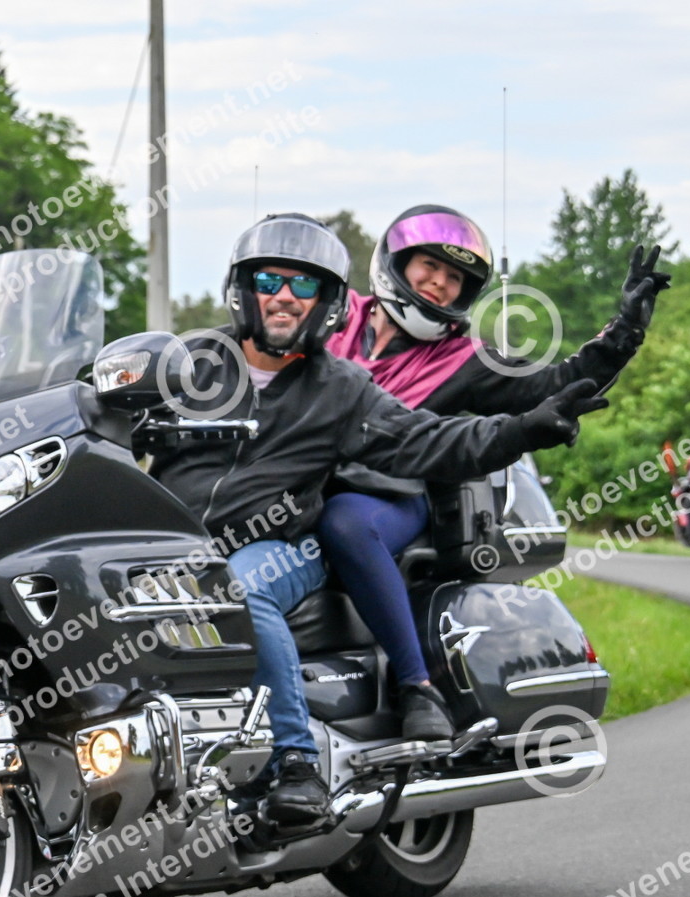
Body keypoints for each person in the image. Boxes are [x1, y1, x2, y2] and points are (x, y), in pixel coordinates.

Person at [149, 213, 610, 826]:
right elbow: (96, 410)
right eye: (269, 280)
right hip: (174, 539)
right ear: (243, 288)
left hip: (287, 540)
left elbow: (434, 440)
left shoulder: (341, 388)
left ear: (327, 302)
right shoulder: (191, 362)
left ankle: (296, 763)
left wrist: (525, 429)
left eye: (303, 285)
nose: (284, 295)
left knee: (241, 590)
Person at [320, 205, 670, 741]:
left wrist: (624, 332)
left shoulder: (465, 360)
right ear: (396, 263)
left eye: (454, 277)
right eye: (429, 266)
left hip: (391, 497)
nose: (439, 283)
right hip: (297, 481)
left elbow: (558, 383)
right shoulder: (332, 317)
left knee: (347, 523)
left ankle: (416, 686)